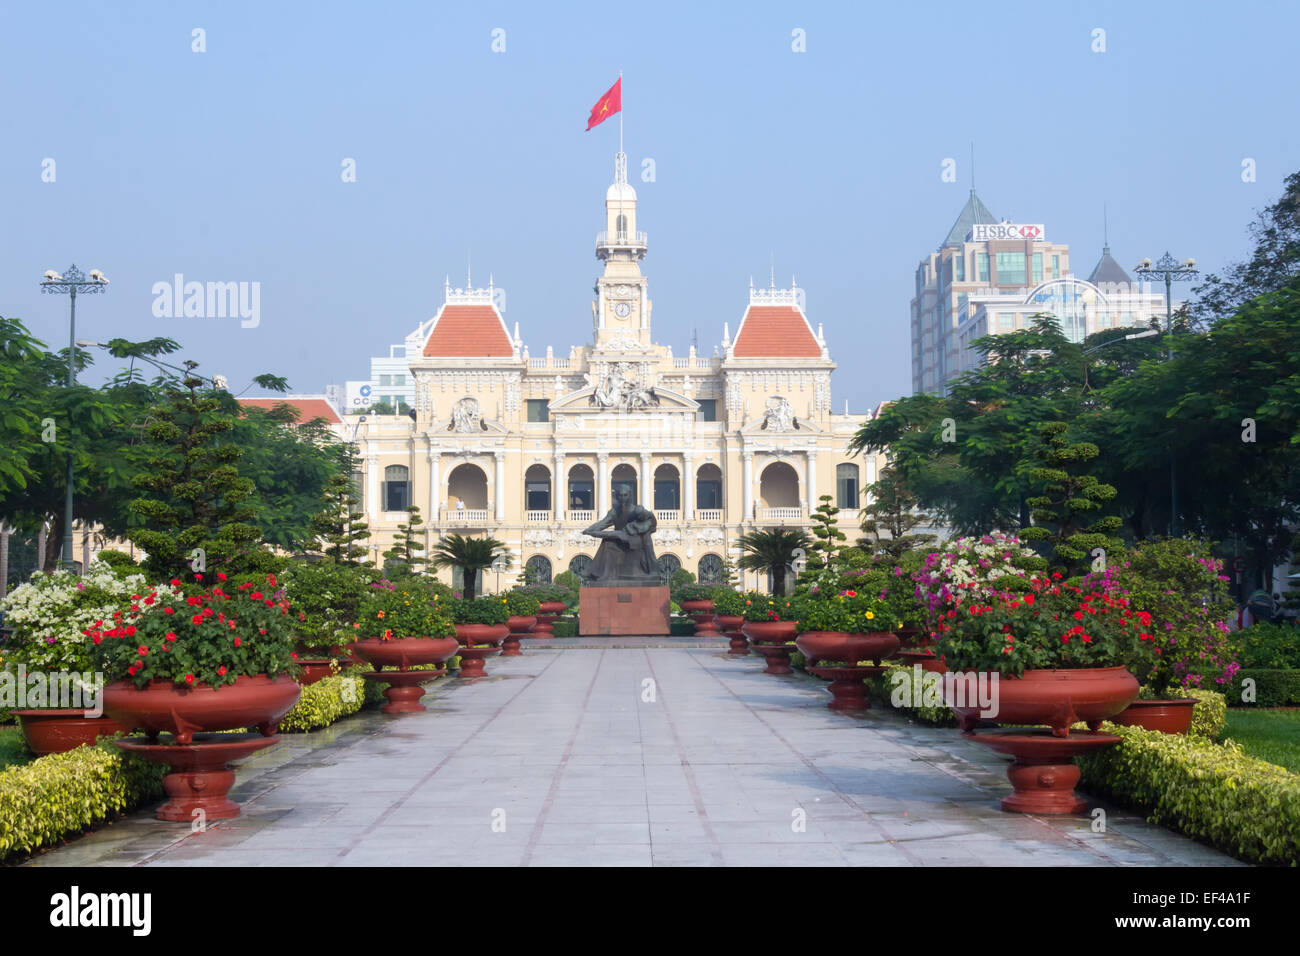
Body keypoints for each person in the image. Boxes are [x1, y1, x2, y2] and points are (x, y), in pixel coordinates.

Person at [582, 486, 658, 585]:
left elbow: (651, 523)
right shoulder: (614, 511)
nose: (623, 498)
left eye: (625, 495)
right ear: (617, 497)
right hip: (620, 539)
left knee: (612, 537)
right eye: (620, 496)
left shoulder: (636, 511)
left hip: (635, 540)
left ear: (630, 496)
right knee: (607, 542)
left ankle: (595, 573)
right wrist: (590, 530)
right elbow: (603, 523)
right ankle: (604, 575)